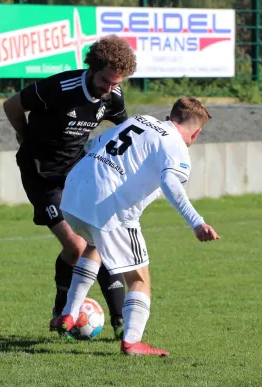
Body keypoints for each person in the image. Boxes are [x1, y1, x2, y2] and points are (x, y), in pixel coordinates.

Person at [55, 97, 220, 357]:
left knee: (95, 245)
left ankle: (68, 314)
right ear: (196, 132)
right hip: (111, 207)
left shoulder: (137, 120)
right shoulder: (175, 144)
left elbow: (93, 145)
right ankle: (133, 342)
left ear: (170, 116)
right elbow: (171, 184)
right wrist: (196, 222)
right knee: (140, 280)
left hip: (73, 194)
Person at [2, 35, 138, 338]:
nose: (108, 89)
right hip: (41, 174)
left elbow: (123, 132)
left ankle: (119, 322)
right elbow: (11, 105)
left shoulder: (113, 96)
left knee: (99, 241)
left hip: (78, 172)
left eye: (115, 84)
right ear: (92, 68)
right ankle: (63, 308)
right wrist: (25, 138)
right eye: (105, 81)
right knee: (76, 246)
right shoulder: (60, 87)